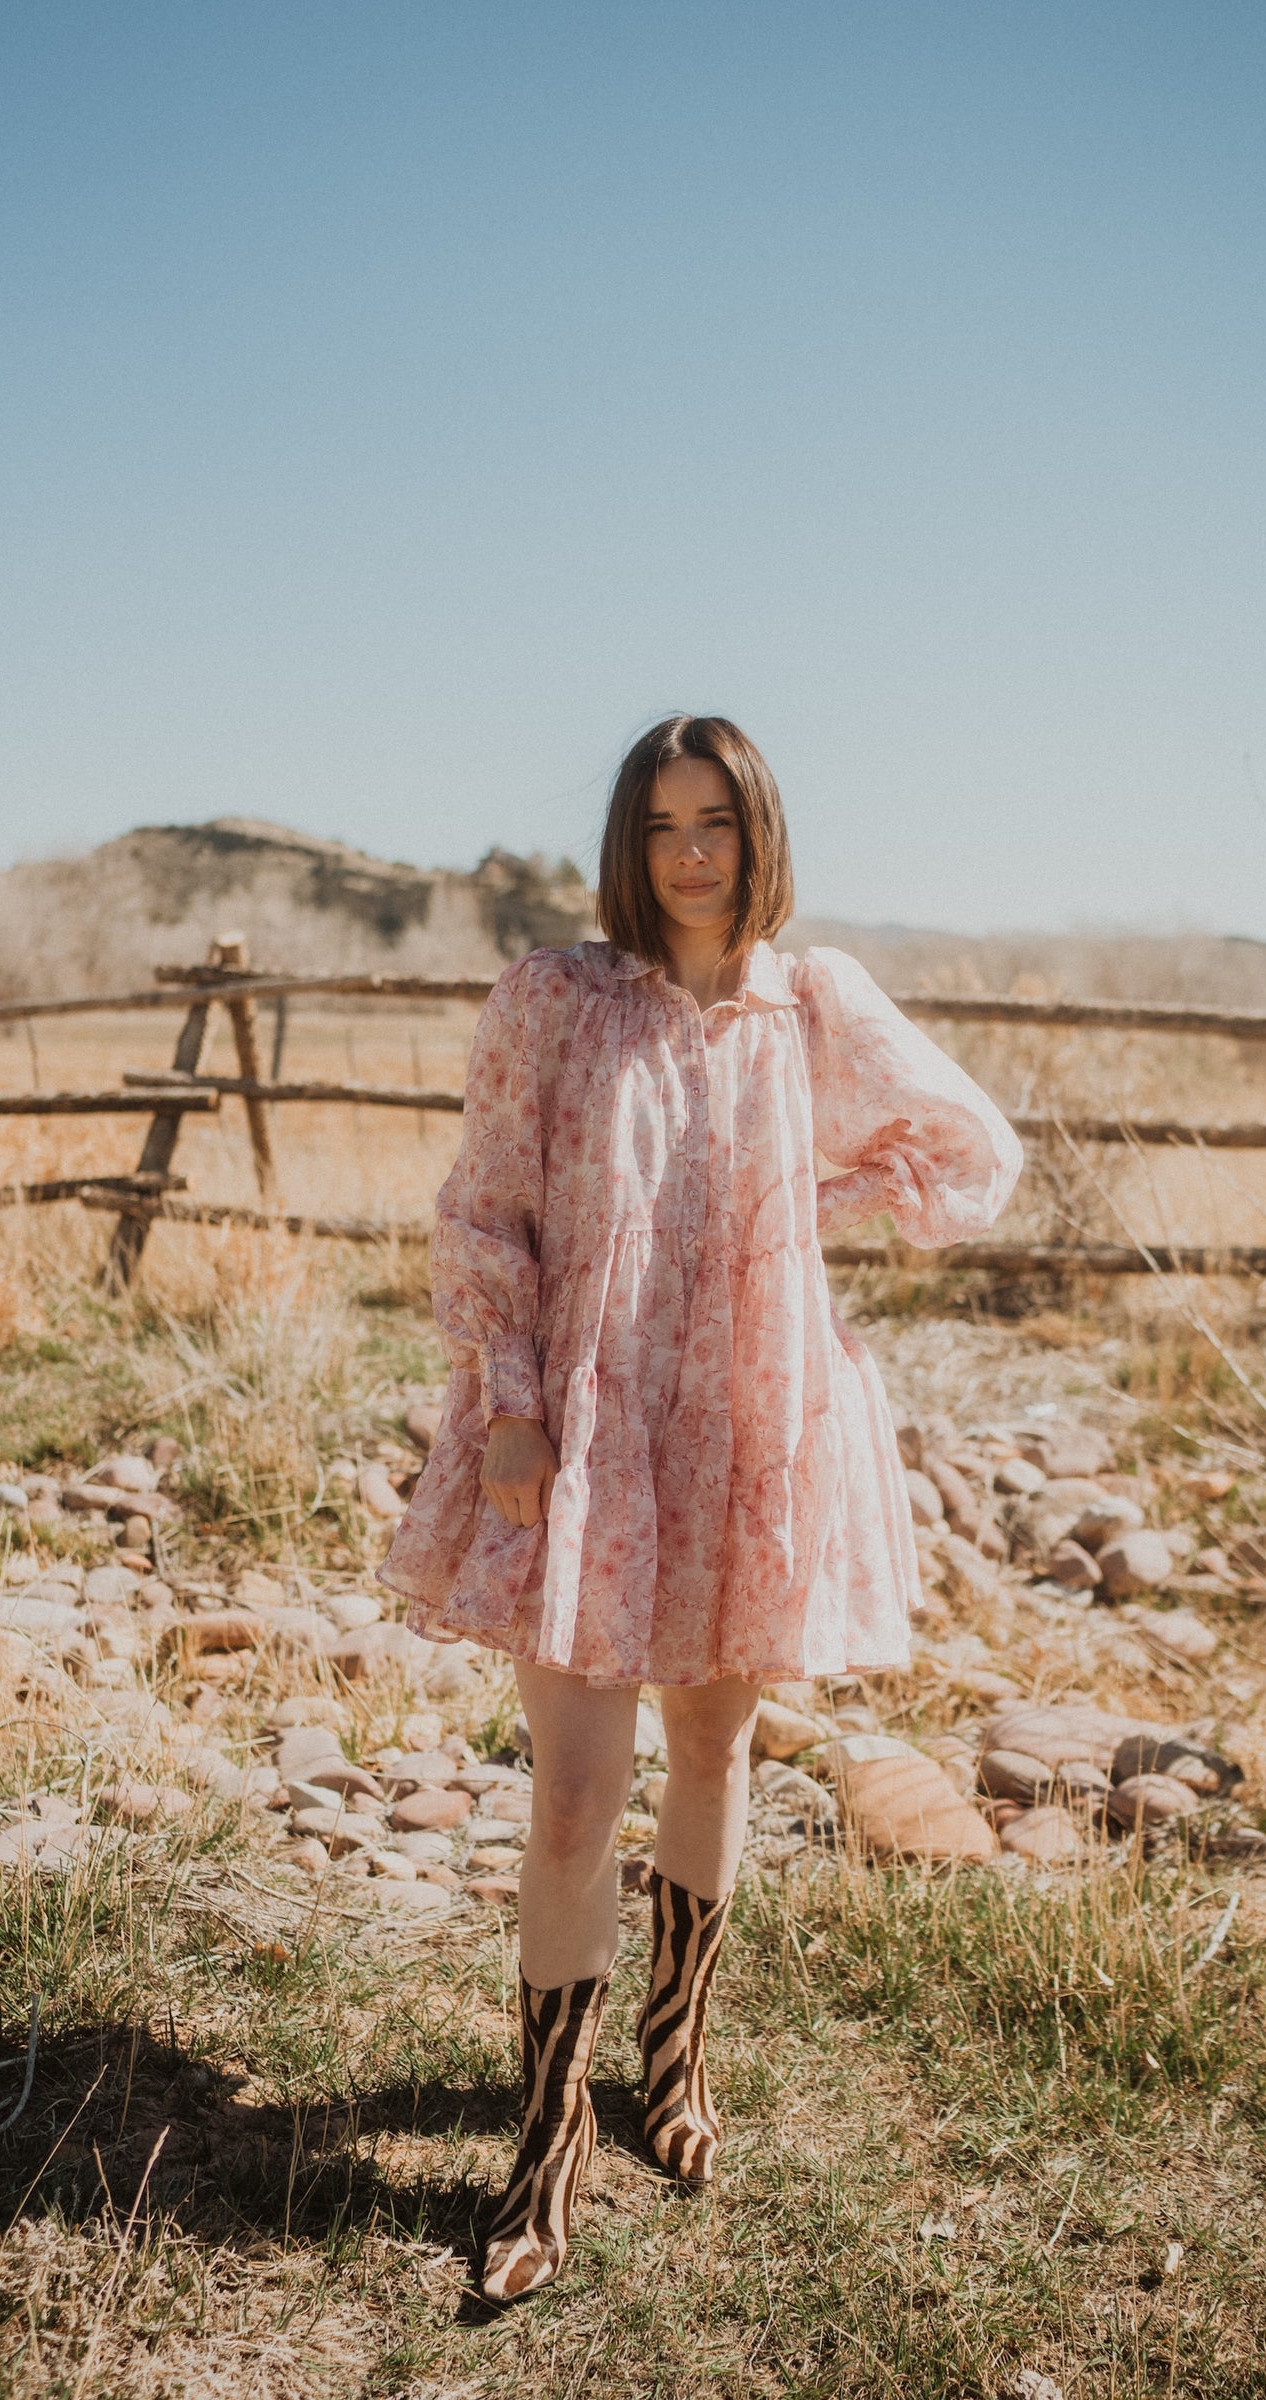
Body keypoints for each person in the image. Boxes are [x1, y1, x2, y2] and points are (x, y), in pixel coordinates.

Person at [381, 715, 1022, 2301]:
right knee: (571, 1797)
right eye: (662, 823)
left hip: (752, 1423)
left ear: (759, 833)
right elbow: (486, 1208)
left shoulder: (814, 1003)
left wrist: (818, 1199)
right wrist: (512, 1400)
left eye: (716, 820)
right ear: (628, 840)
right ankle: (547, 2144)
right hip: (587, 1430)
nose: (689, 853)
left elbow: (969, 1152)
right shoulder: (555, 999)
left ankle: (672, 2058)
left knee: (718, 1748)